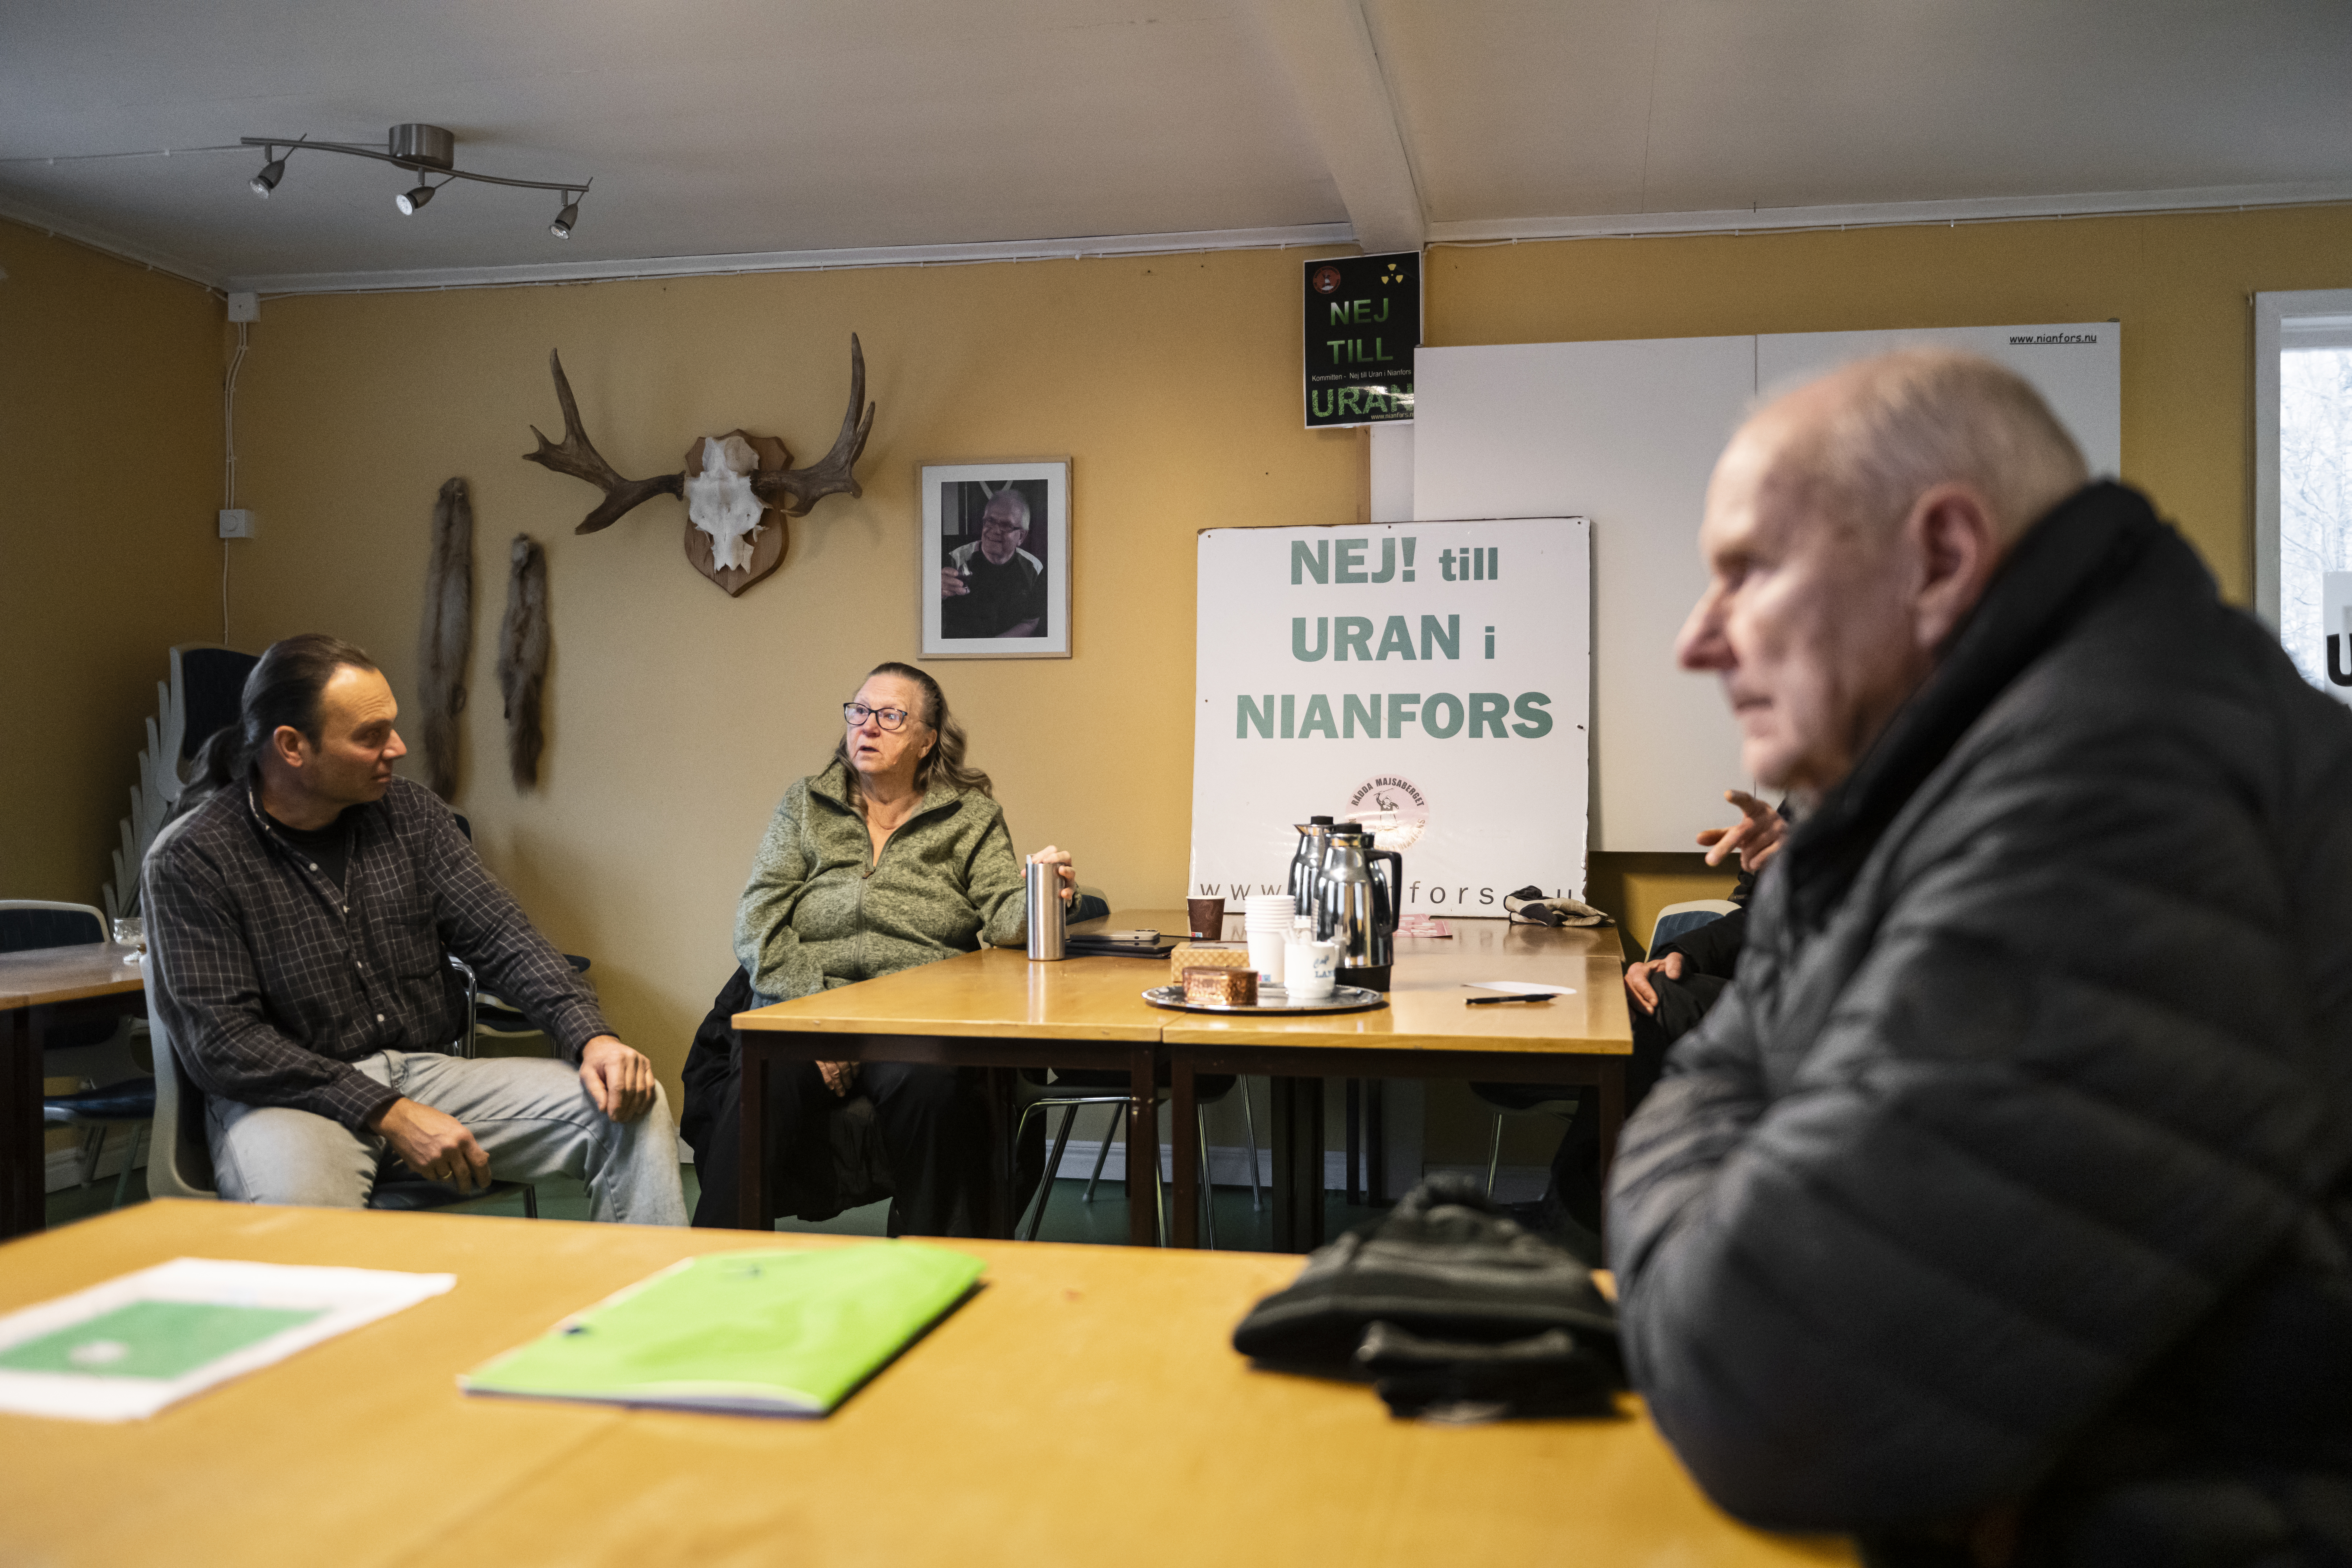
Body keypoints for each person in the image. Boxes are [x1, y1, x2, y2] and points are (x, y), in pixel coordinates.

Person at [1606, 349, 2352, 1563]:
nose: (1700, 639)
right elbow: (1729, 1079)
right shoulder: (1955, 787)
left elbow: (1766, 1376)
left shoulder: (2119, 802)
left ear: (1942, 559)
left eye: (1747, 570)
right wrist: (1733, 1127)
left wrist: (1712, 1129)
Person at [144, 634, 685, 1224]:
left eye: (392, 727)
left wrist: (593, 1038)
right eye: (370, 736)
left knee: (633, 1105)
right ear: (293, 746)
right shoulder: (193, 858)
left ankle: (658, 1312)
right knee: (303, 1229)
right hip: (285, 1099)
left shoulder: (413, 815)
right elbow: (225, 1042)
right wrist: (390, 1113)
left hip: (422, 1074)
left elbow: (505, 939)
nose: (398, 748)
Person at [685, 661, 1073, 1234]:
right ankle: (711, 1274)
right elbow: (758, 919)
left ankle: (932, 1274)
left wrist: (1046, 893)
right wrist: (821, 1019)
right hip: (806, 1009)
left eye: (891, 716)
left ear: (927, 740)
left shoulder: (971, 817)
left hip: (914, 1016)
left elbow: (1003, 917)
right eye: (859, 712)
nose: (868, 726)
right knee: (761, 1089)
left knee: (935, 1089)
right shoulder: (806, 805)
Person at [939, 487, 1046, 639]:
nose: (995, 530)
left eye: (1007, 525)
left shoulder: (1035, 569)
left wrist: (995, 647)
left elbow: (1031, 621)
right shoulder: (953, 560)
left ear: (1021, 536)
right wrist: (934, 593)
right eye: (990, 521)